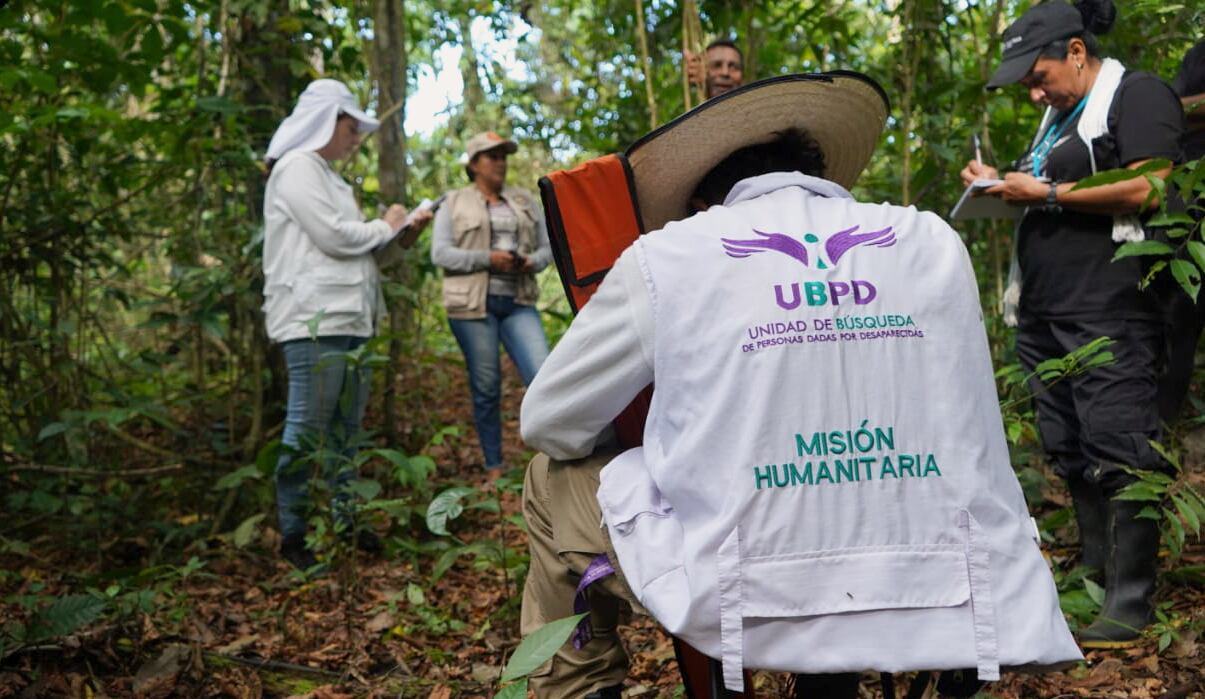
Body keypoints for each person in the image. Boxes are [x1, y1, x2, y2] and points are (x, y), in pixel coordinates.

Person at [521, 73, 1080, 699]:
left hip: (750, 586)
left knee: (549, 480)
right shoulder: (932, 240)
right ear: (819, 174)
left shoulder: (671, 255)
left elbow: (549, 422)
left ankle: (578, 685)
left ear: (705, 199)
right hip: (945, 578)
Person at [960, 0, 1184, 647]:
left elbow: (1149, 185)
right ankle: (1093, 570)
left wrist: (1049, 194)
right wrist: (1002, 185)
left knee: (1119, 442)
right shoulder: (1056, 119)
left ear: (1077, 53)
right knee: (1068, 444)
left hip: (1108, 304)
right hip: (1045, 310)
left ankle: (1130, 597)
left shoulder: (1136, 96)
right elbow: (1043, 189)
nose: (1033, 92)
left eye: (1037, 77)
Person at [261, 79, 432, 571]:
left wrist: (402, 234)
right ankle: (293, 533)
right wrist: (388, 220)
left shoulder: (329, 178)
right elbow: (335, 238)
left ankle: (346, 521)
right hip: (313, 320)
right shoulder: (296, 168)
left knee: (347, 429)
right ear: (324, 119)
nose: (356, 137)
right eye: (350, 125)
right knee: (306, 427)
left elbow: (363, 253)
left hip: (351, 317)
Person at [431, 132, 553, 471]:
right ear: (473, 164)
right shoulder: (453, 202)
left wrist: (531, 261)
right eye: (491, 156)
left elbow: (548, 248)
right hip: (473, 307)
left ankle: (556, 459)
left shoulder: (524, 201)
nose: (500, 161)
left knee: (543, 376)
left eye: (503, 155)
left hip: (518, 301)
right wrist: (488, 258)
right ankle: (493, 465)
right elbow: (440, 254)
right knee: (486, 386)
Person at [1159, 38, 1205, 421]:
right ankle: (1164, 423)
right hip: (1191, 202)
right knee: (1181, 315)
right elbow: (1173, 109)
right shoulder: (1199, 54)